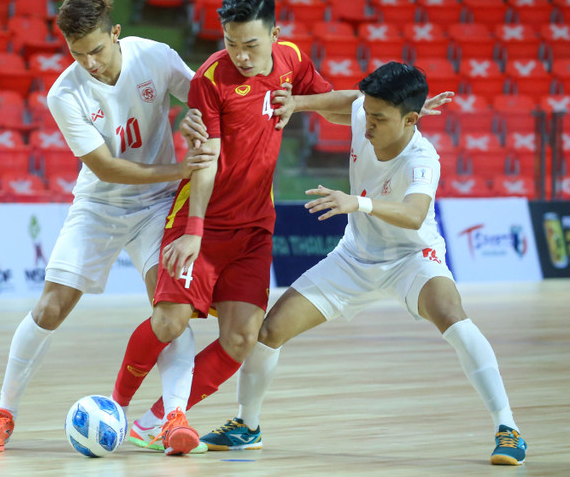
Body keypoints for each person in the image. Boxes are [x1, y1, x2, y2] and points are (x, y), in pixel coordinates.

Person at [199, 62, 528, 466]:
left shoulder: (422, 158)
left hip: (412, 259)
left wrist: (359, 203)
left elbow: (413, 212)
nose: (366, 124)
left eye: (378, 118)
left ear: (411, 119)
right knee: (269, 331)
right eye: (367, 113)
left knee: (452, 315)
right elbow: (348, 102)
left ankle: (507, 427)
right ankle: (246, 426)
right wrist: (298, 103)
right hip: (354, 258)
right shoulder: (366, 112)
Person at [0, 0, 215, 452]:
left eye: (98, 51)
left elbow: (204, 101)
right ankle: (3, 412)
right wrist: (182, 169)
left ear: (116, 33)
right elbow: (106, 167)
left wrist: (193, 121)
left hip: (158, 206)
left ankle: (175, 416)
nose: (90, 63)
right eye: (78, 54)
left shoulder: (156, 57)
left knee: (170, 311)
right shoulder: (64, 93)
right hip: (99, 206)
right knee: (49, 308)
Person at [110, 0, 333, 456]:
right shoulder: (211, 77)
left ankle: (156, 422)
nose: (242, 55)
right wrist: (193, 231)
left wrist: (308, 104)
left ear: (275, 33)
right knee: (169, 321)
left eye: (251, 44)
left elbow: (335, 103)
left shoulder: (292, 59)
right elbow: (204, 159)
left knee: (240, 338)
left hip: (254, 229)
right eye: (232, 43)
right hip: (202, 221)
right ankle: (114, 407)